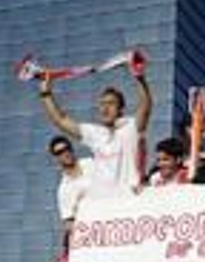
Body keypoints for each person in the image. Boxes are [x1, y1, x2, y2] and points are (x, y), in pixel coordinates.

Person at [37, 59, 151, 197]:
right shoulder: (94, 133)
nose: (105, 108)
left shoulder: (131, 128)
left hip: (128, 202)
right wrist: (45, 94)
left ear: (121, 109)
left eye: (111, 103)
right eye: (102, 104)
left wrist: (139, 77)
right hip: (101, 206)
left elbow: (145, 105)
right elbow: (61, 120)